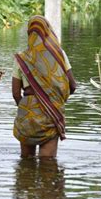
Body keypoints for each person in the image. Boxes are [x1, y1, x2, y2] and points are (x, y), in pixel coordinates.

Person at [12, 15, 76, 158]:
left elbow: (16, 93)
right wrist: (55, 101)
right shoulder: (60, 55)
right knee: (49, 166)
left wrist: (27, 108)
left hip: (27, 114)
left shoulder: (22, 58)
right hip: (51, 113)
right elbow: (73, 85)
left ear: (29, 32)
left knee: (26, 163)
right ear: (48, 31)